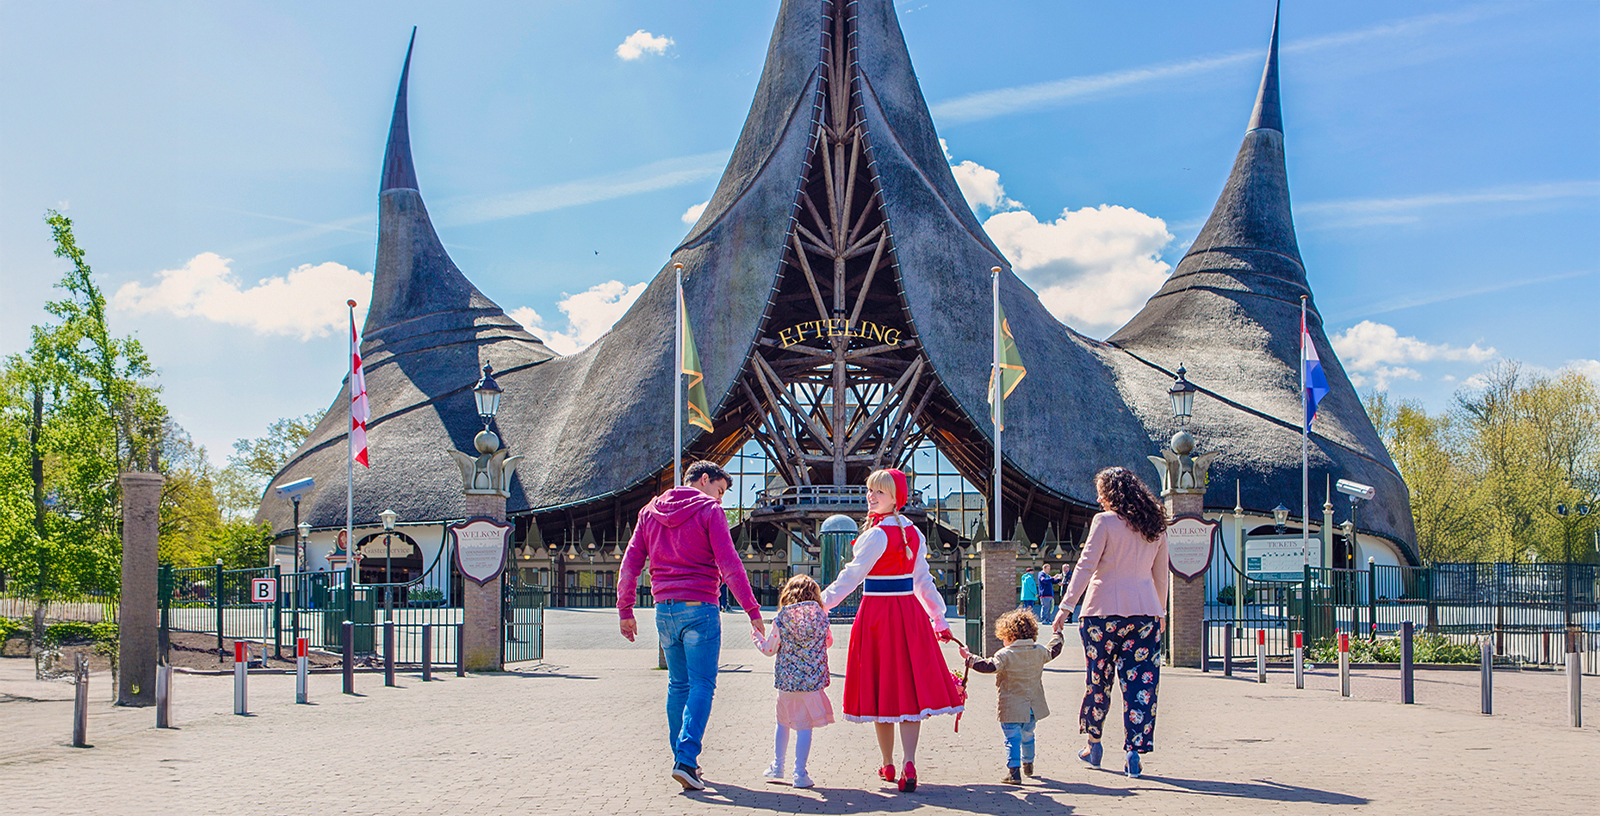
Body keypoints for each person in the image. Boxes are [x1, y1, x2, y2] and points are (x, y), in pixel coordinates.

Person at [617, 460, 767, 791]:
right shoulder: (710, 511)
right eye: (720, 490)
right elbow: (729, 564)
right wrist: (752, 609)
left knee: (678, 685)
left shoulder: (648, 512)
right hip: (700, 607)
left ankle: (682, 760)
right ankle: (685, 759)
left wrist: (625, 609)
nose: (721, 498)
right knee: (701, 685)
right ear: (703, 479)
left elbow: (630, 564)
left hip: (664, 610)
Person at [819, 468, 964, 793]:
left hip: (877, 616)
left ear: (896, 497)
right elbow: (923, 581)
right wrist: (938, 618)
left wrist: (822, 602)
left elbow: (852, 576)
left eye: (879, 492)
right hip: (909, 615)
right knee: (908, 689)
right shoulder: (913, 533)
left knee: (882, 688)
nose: (871, 497)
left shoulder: (876, 535)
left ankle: (888, 763)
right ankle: (909, 763)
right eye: (870, 491)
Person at [1052, 466, 1169, 779]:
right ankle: (1134, 753)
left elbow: (1085, 566)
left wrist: (1066, 607)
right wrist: (1160, 612)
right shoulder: (1156, 524)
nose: (1098, 498)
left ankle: (1094, 745)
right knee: (1142, 685)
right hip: (1144, 615)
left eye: (1101, 492)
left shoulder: (1103, 521)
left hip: (1101, 614)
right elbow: (1161, 576)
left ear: (1111, 494)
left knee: (1098, 680)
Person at [960, 609, 1065, 784]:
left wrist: (969, 658)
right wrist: (1058, 633)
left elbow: (988, 666)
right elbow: (1054, 650)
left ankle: (1014, 771)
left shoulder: (1005, 655)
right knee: (1028, 734)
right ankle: (1028, 763)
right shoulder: (1039, 651)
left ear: (1010, 635)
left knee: (1012, 737)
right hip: (1032, 706)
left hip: (1011, 706)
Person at [753, 575, 835, 789]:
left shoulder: (782, 618)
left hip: (787, 684)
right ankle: (800, 773)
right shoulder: (821, 617)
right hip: (811, 684)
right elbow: (828, 642)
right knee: (804, 727)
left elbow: (769, 649)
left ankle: (778, 766)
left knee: (783, 723)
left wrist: (756, 637)